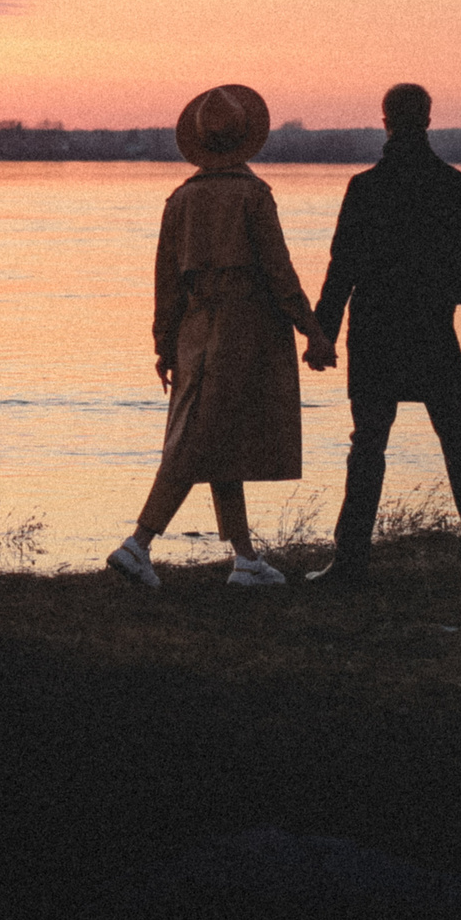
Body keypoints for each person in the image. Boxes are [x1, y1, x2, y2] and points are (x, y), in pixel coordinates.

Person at [108, 84, 318, 590]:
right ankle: (138, 544)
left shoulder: (181, 199)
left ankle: (244, 559)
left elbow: (165, 282)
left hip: (194, 329)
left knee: (217, 438)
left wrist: (164, 344)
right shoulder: (253, 196)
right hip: (246, 330)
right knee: (198, 441)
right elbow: (279, 272)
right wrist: (313, 329)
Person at [303, 82, 461, 587]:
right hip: (432, 330)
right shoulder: (456, 186)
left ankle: (350, 562)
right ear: (429, 118)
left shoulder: (366, 187)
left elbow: (341, 269)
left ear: (384, 120)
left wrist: (323, 335)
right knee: (458, 439)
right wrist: (441, 297)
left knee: (368, 445)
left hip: (377, 332)